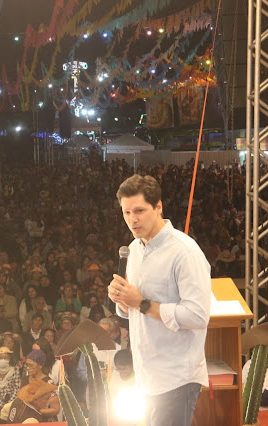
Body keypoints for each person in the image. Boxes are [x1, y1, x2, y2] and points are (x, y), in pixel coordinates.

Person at [109, 174, 211, 426]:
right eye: (126, 212)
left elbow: (197, 316)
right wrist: (122, 301)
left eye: (139, 211)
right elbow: (132, 309)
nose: (132, 219)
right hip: (145, 374)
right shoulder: (134, 249)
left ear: (158, 207)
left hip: (176, 377)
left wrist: (140, 303)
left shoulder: (184, 251)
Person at [0, 346, 21, 423]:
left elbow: (17, 388)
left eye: (6, 358)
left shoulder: (15, 368)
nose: (3, 360)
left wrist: (9, 404)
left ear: (10, 358)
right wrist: (2, 405)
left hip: (11, 400)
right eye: (0, 357)